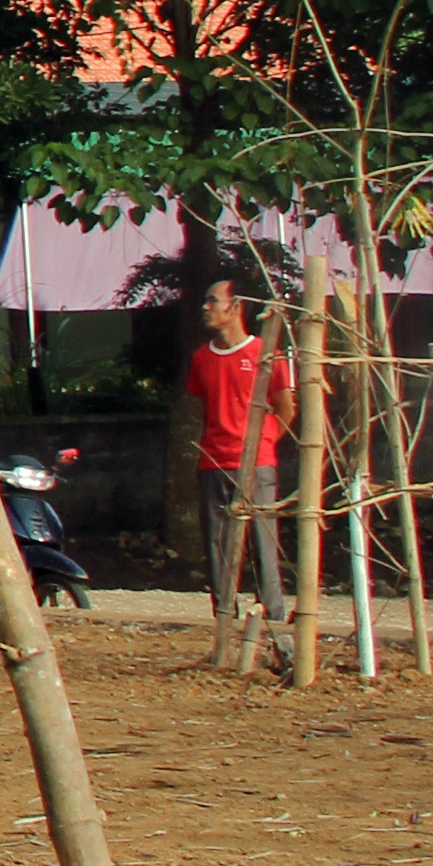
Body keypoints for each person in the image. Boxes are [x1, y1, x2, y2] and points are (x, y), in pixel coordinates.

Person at [181, 269, 295, 640]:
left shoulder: (266, 355)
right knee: (218, 548)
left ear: (237, 307)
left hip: (256, 464)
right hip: (212, 462)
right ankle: (225, 622)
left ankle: (275, 624)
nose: (206, 307)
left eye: (214, 300)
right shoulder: (202, 358)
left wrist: (264, 443)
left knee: (264, 545)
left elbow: (285, 407)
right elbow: (204, 404)